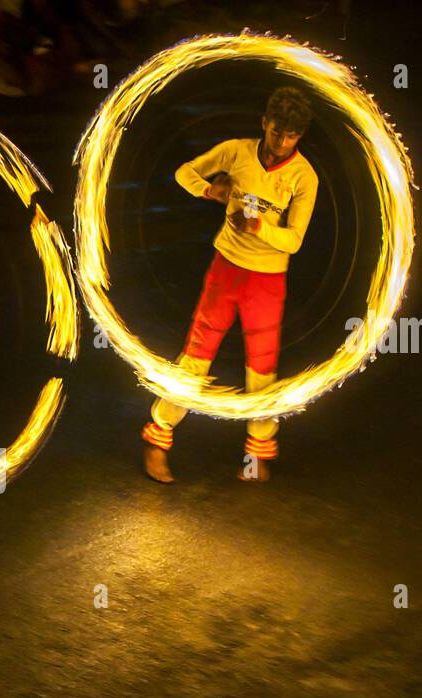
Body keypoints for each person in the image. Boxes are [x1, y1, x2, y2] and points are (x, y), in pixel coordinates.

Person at [142, 87, 319, 483]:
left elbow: (294, 240)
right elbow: (183, 172)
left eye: (290, 136)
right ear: (264, 123)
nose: (281, 142)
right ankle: (157, 442)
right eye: (276, 132)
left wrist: (258, 225)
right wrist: (209, 189)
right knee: (196, 358)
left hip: (268, 281)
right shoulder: (236, 151)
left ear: (299, 136)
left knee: (262, 370)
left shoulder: (304, 177)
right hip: (226, 270)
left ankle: (256, 459)